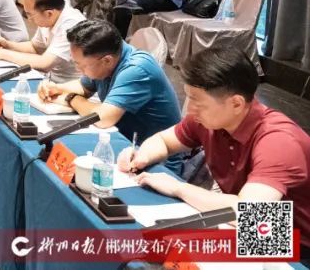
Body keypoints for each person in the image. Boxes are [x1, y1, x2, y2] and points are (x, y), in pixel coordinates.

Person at [118, 47, 310, 258]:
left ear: (236, 103)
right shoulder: (209, 119)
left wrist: (178, 188)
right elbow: (164, 141)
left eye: (197, 101)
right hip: (253, 228)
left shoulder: (278, 141)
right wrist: (142, 156)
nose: (190, 109)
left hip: (295, 244)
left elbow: (249, 214)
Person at [38, 19, 183, 169]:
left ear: (107, 61)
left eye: (80, 65)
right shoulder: (106, 58)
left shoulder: (137, 69)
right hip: (123, 145)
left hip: (154, 162)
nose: (78, 69)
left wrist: (71, 98)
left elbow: (103, 118)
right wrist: (57, 88)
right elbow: (84, 87)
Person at [0, 0, 85, 83]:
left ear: (49, 14)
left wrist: (3, 54)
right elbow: (35, 47)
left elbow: (45, 63)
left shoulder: (71, 25)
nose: (29, 20)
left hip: (71, 86)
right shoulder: (51, 12)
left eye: (30, 15)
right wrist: (8, 45)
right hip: (49, 80)